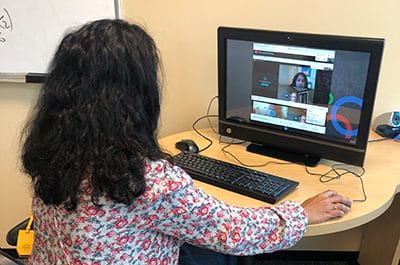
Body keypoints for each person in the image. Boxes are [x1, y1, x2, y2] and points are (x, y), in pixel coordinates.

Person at [21, 19, 352, 265]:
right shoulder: (147, 181)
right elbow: (235, 231)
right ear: (136, 95)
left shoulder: (52, 150)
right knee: (227, 252)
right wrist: (302, 213)